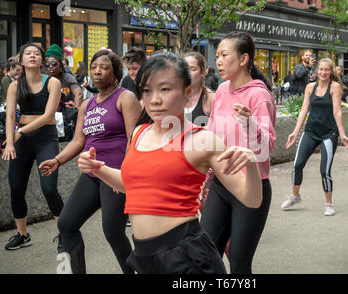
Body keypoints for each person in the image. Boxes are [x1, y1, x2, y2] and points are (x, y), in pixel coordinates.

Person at [76, 51, 263, 274]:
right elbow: (134, 188)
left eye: (164, 89)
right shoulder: (139, 133)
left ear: (187, 92)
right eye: (146, 90)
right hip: (145, 256)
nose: (154, 99)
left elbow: (251, 199)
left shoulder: (201, 140)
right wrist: (99, 169)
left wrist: (251, 163)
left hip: (187, 258)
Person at [39, 49, 140, 274]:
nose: (97, 71)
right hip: (92, 175)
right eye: (94, 67)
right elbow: (78, 141)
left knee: (113, 232)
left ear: (115, 73)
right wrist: (57, 160)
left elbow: (134, 139)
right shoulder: (87, 105)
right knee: (66, 224)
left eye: (104, 67)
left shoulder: (125, 97)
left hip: (115, 174)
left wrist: (123, 174)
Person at [199, 31, 276, 274]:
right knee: (206, 254)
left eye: (224, 55)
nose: (218, 61)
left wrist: (250, 124)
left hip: (251, 187)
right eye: (217, 56)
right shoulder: (221, 91)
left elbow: (268, 146)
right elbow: (211, 135)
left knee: (240, 262)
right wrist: (205, 176)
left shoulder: (259, 95)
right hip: (221, 184)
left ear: (243, 60)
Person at [1, 43, 64, 251]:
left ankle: (66, 232)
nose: (32, 56)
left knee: (49, 188)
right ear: (21, 60)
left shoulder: (52, 82)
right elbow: (10, 116)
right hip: (22, 140)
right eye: (28, 53)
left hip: (45, 137)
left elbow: (48, 116)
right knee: (16, 188)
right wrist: (10, 141)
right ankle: (22, 235)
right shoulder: (13, 86)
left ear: (42, 60)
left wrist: (20, 132)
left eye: (37, 54)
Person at [281, 58, 348, 216]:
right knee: (297, 165)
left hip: (328, 133)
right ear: (316, 70)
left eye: (327, 70)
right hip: (310, 132)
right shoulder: (309, 87)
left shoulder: (335, 87)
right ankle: (295, 196)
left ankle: (329, 203)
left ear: (331, 71)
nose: (323, 72)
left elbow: (337, 111)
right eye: (321, 69)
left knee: (324, 171)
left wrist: (342, 134)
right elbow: (303, 110)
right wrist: (295, 132)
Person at [44, 44, 83, 142]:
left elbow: (78, 93)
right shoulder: (43, 79)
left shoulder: (67, 77)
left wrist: (76, 110)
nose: (51, 67)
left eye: (54, 64)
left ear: (60, 65)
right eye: (48, 64)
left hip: (66, 119)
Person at [183, 51, 214, 127]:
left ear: (203, 72)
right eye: (184, 68)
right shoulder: (174, 96)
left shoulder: (210, 98)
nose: (187, 72)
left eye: (192, 69)